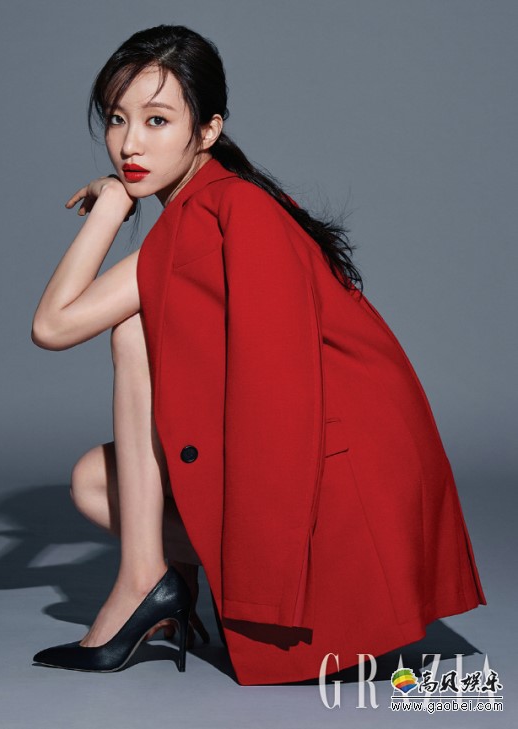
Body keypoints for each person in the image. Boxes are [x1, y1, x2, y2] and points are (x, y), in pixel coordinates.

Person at [31, 24, 486, 685]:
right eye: (117, 119)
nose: (130, 144)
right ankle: (159, 577)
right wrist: (118, 202)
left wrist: (110, 205)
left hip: (343, 479)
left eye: (157, 120)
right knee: (92, 477)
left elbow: (54, 325)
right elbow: (65, 326)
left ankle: (147, 583)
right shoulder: (204, 211)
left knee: (128, 333)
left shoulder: (225, 211)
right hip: (339, 458)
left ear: (207, 130)